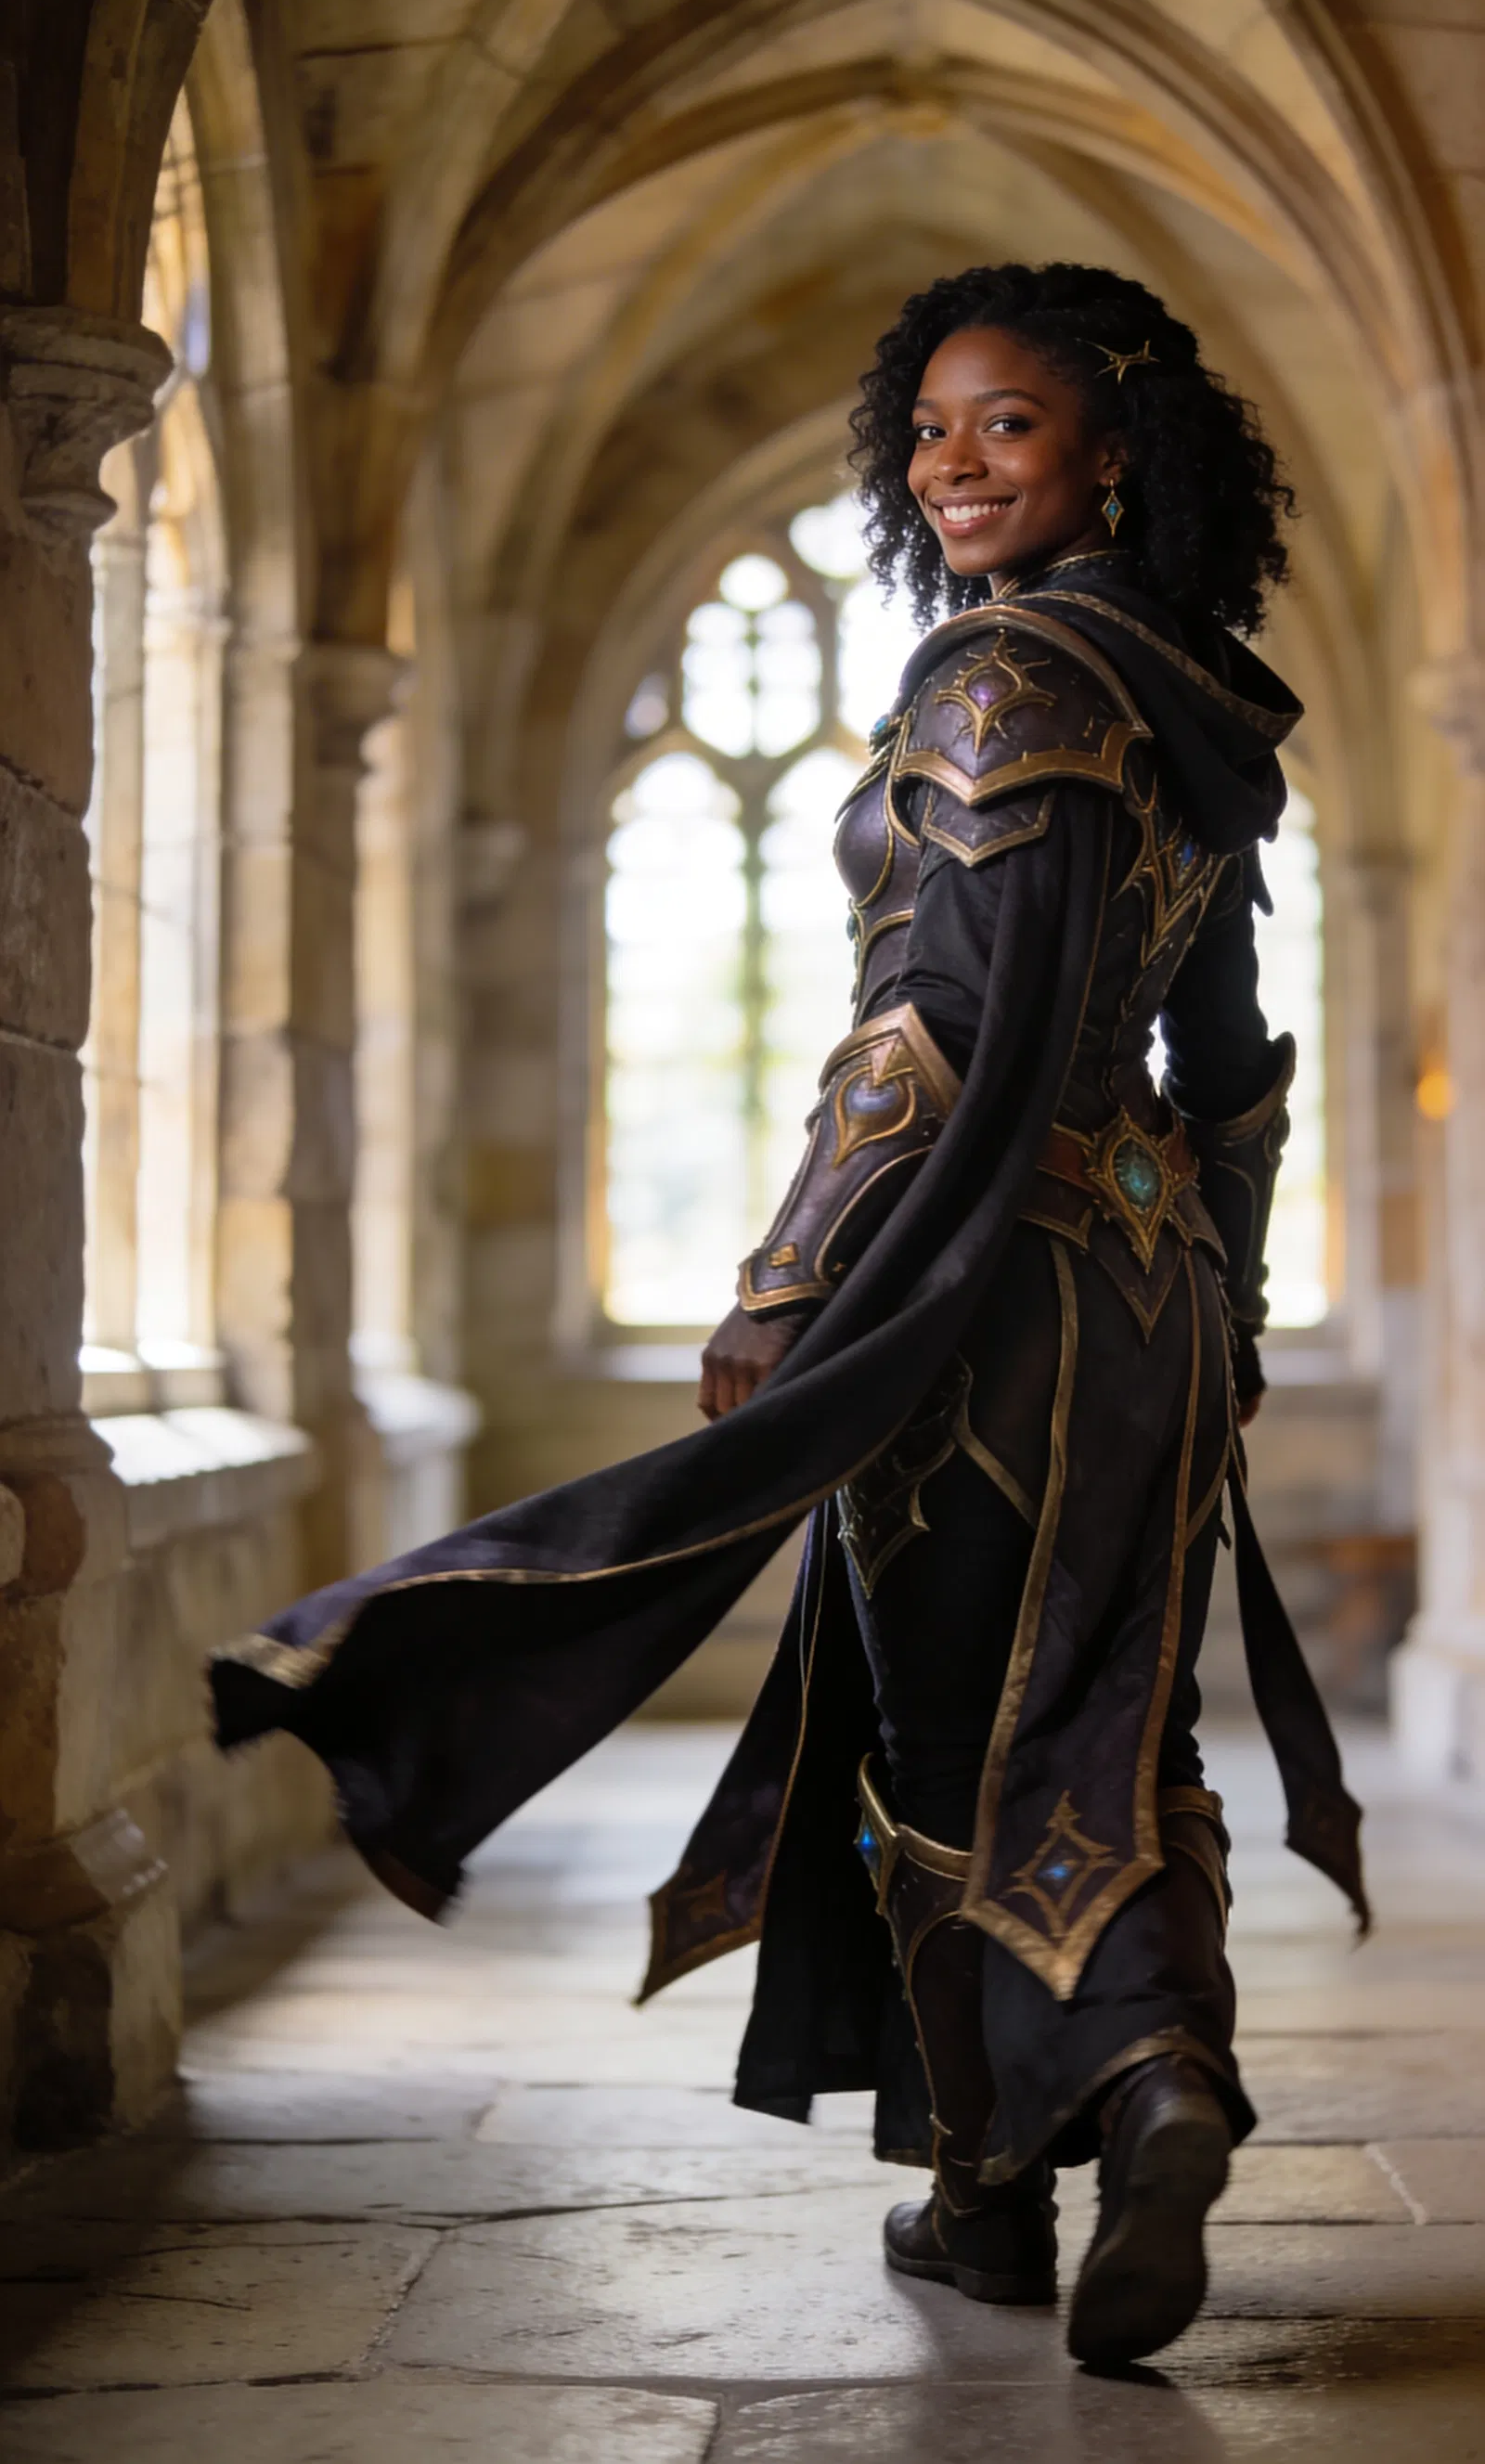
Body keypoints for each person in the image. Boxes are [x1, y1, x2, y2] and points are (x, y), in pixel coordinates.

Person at [211, 261, 1366, 2373]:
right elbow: (1235, 1070)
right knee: (1117, 1724)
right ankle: (1108, 2104)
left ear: (1114, 448)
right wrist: (1234, 1303)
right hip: (1152, 1298)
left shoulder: (990, 676)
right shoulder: (1192, 695)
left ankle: (1055, 2147)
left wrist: (779, 1281)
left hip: (976, 1297)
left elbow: (914, 1032)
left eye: (1004, 424)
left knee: (939, 1742)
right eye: (928, 429)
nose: (949, 465)